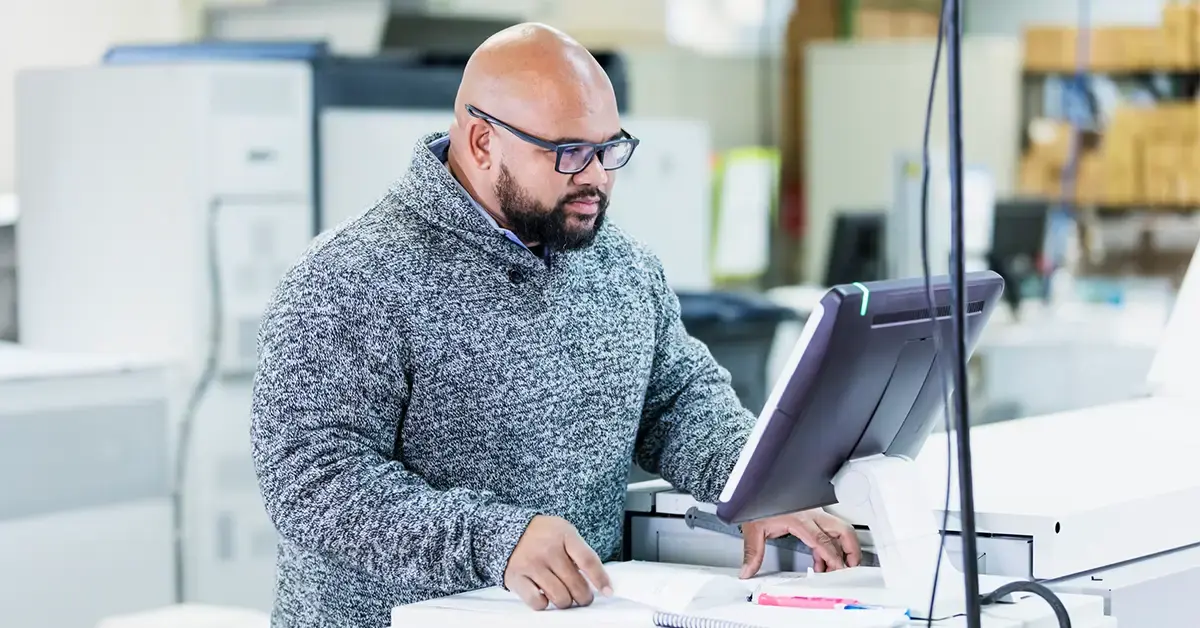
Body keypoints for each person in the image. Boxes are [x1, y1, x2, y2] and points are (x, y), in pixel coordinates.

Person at [250, 22, 861, 628]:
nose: (595, 176)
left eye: (610, 149)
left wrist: (756, 485)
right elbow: (310, 477)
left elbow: (676, 402)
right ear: (484, 141)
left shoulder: (620, 265)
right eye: (569, 153)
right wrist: (496, 539)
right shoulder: (350, 276)